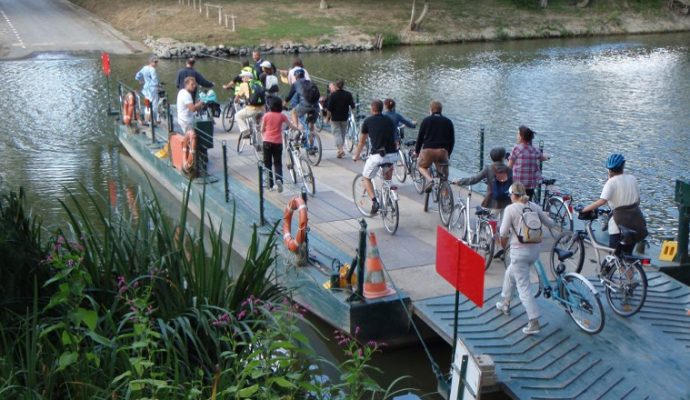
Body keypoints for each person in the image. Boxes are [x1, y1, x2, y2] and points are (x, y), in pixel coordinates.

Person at [496, 182, 555, 335]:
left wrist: (503, 248)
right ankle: (505, 303)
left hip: (519, 253)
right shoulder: (534, 206)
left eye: (510, 194)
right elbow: (550, 223)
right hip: (534, 251)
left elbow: (503, 233)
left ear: (513, 195)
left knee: (524, 287)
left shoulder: (510, 209)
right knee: (510, 274)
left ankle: (534, 321)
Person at [581, 153, 647, 254]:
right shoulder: (632, 179)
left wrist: (584, 209)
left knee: (614, 256)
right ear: (623, 166)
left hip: (618, 225)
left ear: (609, 169)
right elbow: (637, 201)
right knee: (627, 257)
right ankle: (632, 270)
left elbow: (602, 201)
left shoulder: (611, 182)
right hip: (635, 222)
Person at [352, 99, 397, 214]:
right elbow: (395, 138)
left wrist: (356, 155)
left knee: (366, 177)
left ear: (372, 109)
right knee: (387, 179)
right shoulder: (389, 120)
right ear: (382, 108)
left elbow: (362, 142)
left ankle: (375, 202)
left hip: (378, 156)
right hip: (392, 155)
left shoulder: (367, 121)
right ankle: (388, 200)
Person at [414, 101, 455, 193]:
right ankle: (446, 201)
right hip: (442, 152)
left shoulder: (426, 120)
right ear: (441, 110)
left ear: (431, 110)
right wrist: (448, 153)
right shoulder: (448, 122)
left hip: (428, 151)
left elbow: (420, 138)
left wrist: (417, 152)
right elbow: (452, 140)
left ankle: (430, 180)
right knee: (444, 178)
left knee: (421, 166)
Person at [261, 97, 296, 193]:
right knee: (277, 163)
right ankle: (279, 179)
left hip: (267, 141)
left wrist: (264, 132)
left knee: (267, 163)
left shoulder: (266, 115)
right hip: (278, 142)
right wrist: (297, 129)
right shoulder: (282, 116)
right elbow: (290, 126)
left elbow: (262, 129)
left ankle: (270, 185)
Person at [508, 126, 549, 201]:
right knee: (527, 201)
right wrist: (547, 157)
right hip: (530, 184)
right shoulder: (534, 149)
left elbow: (509, 166)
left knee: (516, 200)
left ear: (521, 137)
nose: (517, 136)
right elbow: (542, 157)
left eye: (518, 134)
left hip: (518, 184)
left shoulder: (516, 149)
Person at [284, 68, 318, 138]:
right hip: (315, 106)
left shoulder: (296, 84)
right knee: (311, 126)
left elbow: (289, 96)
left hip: (304, 105)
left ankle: (297, 130)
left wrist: (283, 104)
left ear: (296, 76)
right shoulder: (311, 82)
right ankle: (311, 146)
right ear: (303, 75)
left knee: (294, 112)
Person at [325, 79, 355, 158]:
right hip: (345, 117)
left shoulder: (333, 95)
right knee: (342, 134)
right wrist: (353, 115)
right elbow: (353, 106)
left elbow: (329, 109)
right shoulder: (348, 94)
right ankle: (339, 151)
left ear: (336, 86)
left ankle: (341, 150)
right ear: (343, 85)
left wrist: (327, 118)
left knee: (337, 134)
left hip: (335, 118)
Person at [235, 70, 265, 138]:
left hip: (252, 108)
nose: (242, 79)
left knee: (237, 116)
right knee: (258, 124)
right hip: (262, 108)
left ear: (247, 77)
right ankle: (260, 139)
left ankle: (246, 131)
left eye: (243, 77)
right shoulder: (258, 83)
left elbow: (237, 98)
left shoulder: (244, 85)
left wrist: (236, 101)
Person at [134, 55, 160, 124]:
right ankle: (153, 120)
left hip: (146, 89)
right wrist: (158, 86)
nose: (156, 63)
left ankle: (147, 119)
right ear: (151, 62)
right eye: (155, 62)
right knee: (154, 106)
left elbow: (137, 75)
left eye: (157, 62)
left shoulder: (144, 68)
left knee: (147, 105)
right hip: (152, 90)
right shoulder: (153, 70)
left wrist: (140, 80)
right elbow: (155, 81)